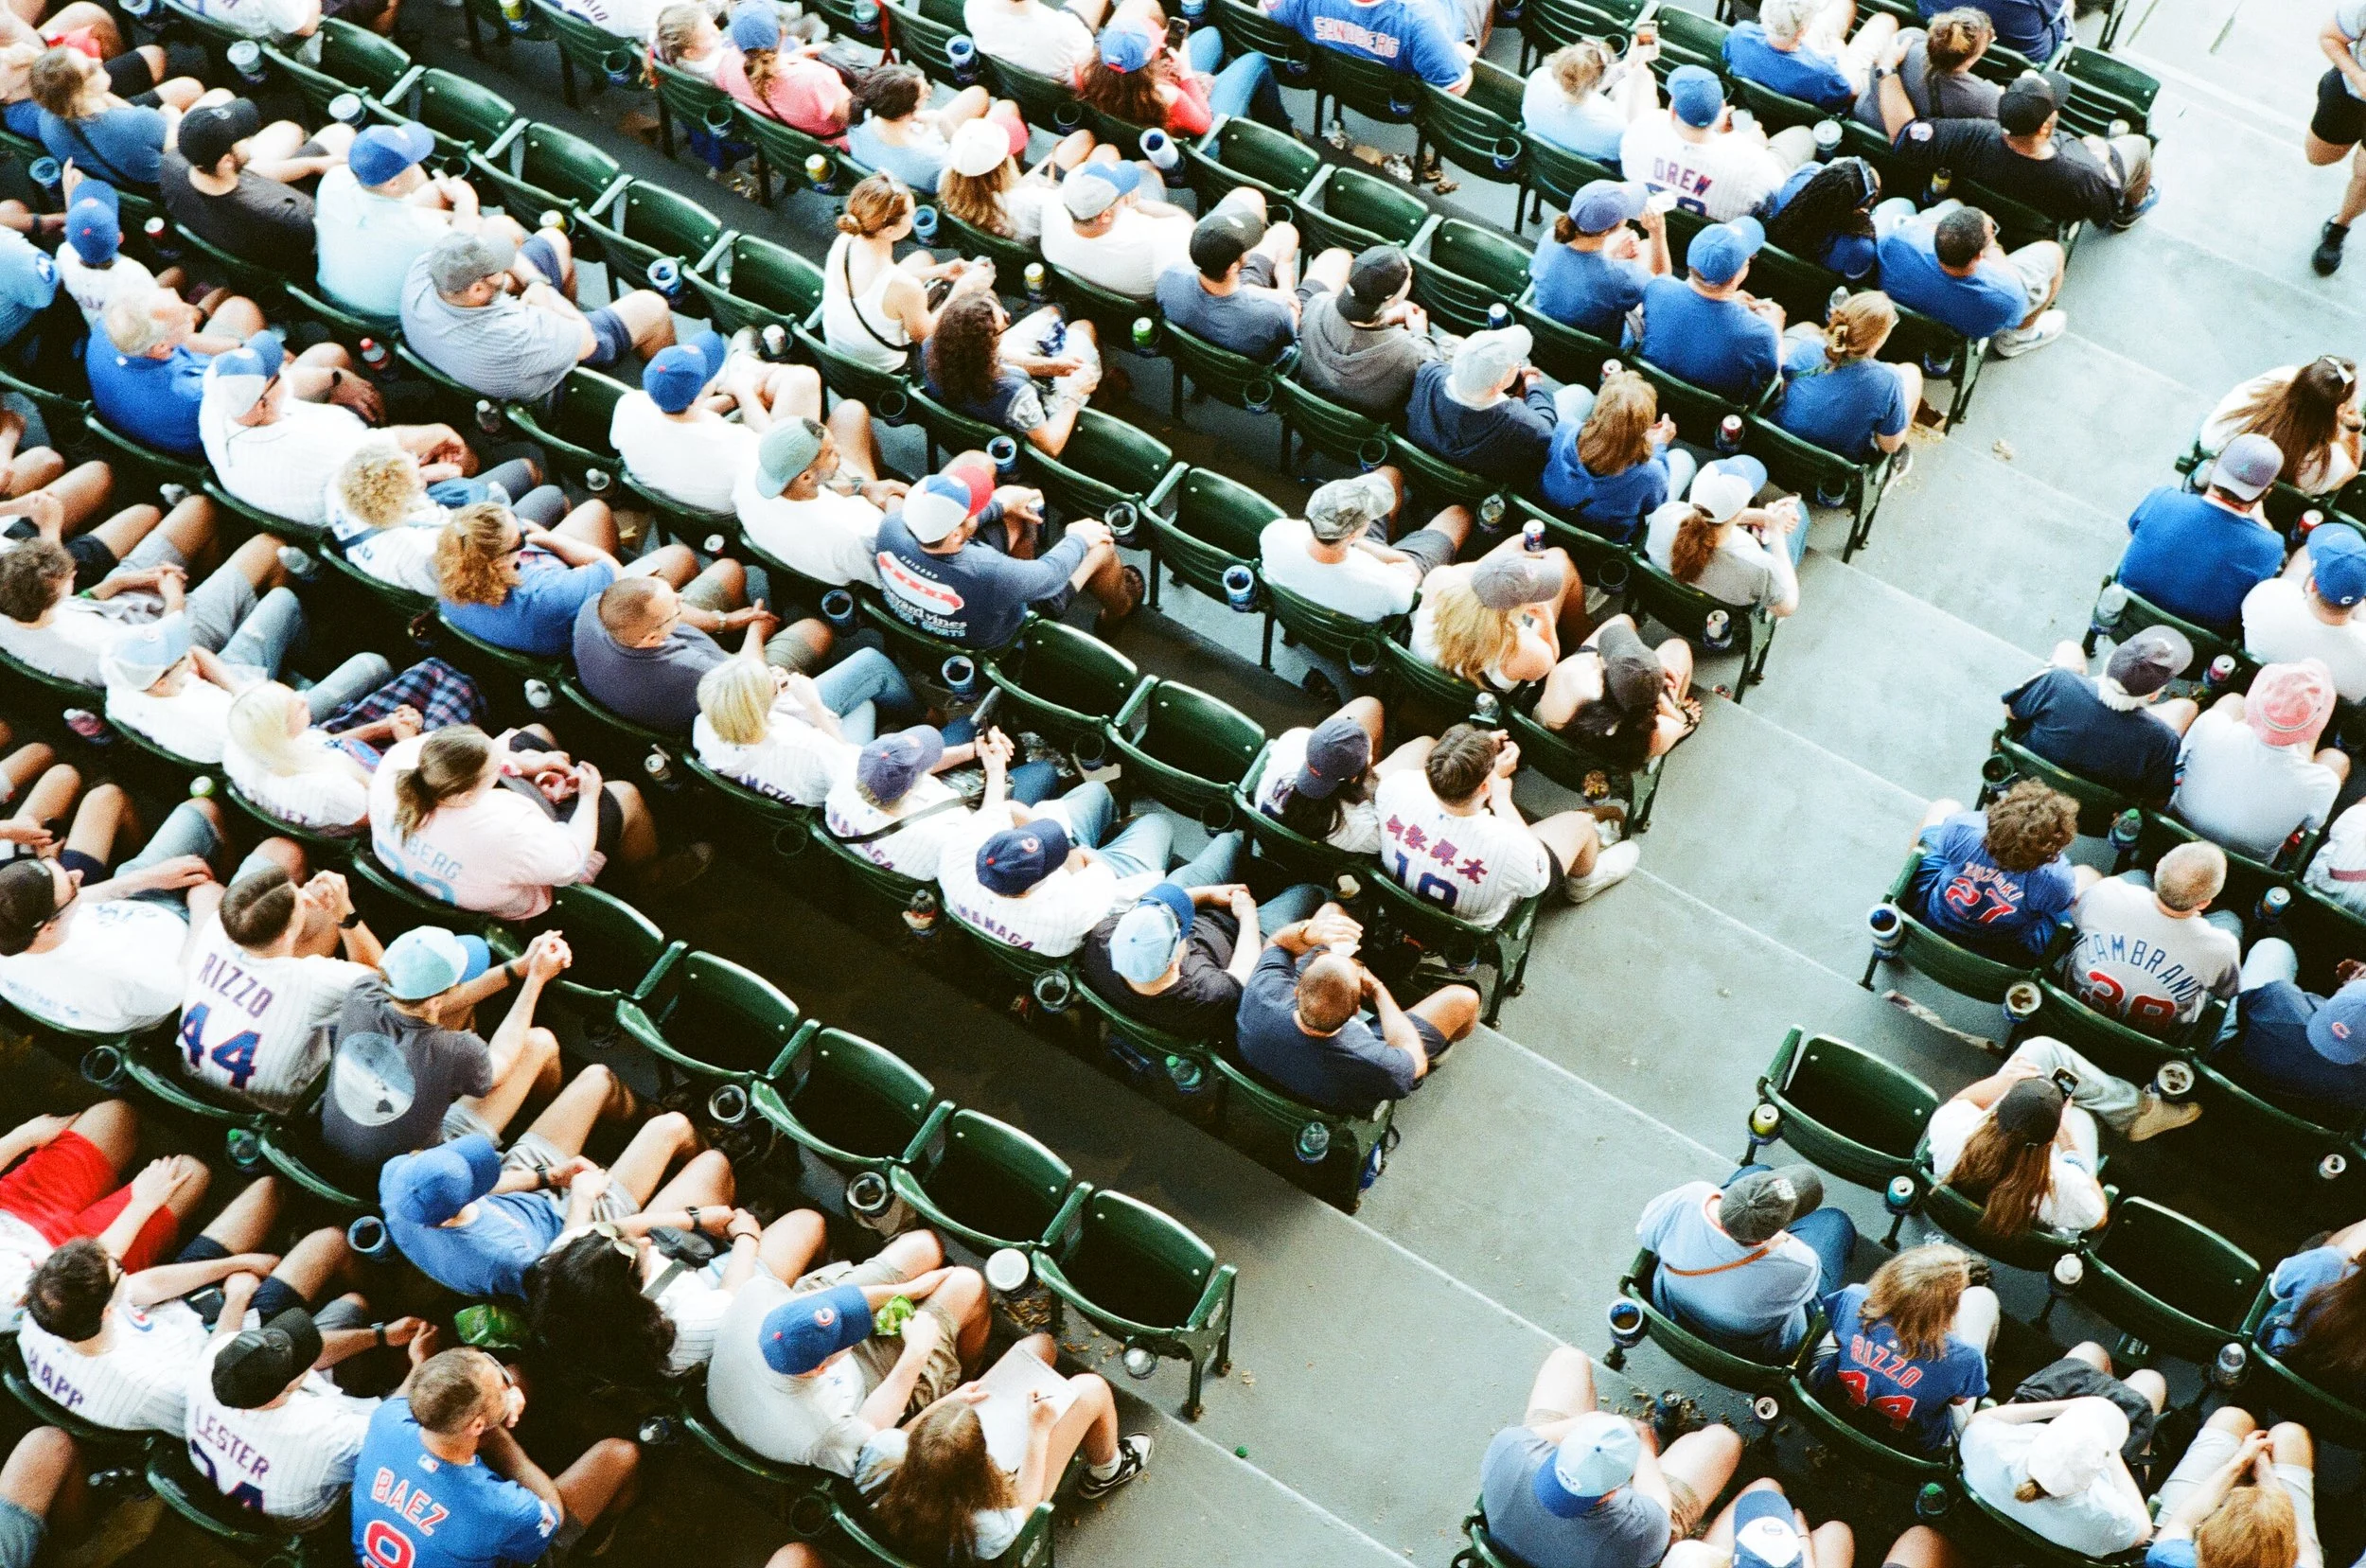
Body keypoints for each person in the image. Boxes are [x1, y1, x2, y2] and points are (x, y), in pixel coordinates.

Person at [15, 1177, 351, 1436]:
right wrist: (238, 1296)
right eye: (118, 1271)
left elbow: (144, 1288)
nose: (121, 1265)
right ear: (105, 1310)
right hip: (227, 1346)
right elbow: (220, 1373)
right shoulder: (153, 1386)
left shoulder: (47, 1309)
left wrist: (233, 1264)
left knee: (267, 1190)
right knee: (330, 1241)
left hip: (180, 1312)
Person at [705, 1220, 990, 1476]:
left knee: (924, 1246)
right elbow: (874, 1430)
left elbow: (824, 1300)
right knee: (967, 1284)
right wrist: (917, 1350)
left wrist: (911, 1290)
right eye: (847, 1335)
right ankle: (962, 1372)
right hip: (865, 1389)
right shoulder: (828, 1429)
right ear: (821, 1368)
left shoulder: (752, 1297)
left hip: (798, 1374)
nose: (859, 1323)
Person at [381, 1081, 698, 1300]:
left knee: (597, 1078)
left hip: (521, 1199)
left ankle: (641, 1114)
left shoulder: (397, 1179)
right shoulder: (506, 1259)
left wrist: (548, 1177)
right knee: (672, 1127)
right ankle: (710, 1144)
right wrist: (582, 1199)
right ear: (458, 1207)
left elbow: (482, 1189)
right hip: (572, 1229)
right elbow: (567, 1270)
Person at [525, 1156, 825, 1382]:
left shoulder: (565, 1266)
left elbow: (613, 1229)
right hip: (715, 1296)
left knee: (713, 1164)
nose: (645, 1243)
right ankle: (824, 1256)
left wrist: (696, 1218)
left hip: (671, 1282)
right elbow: (733, 1296)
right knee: (808, 1222)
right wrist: (747, 1235)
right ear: (633, 1293)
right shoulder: (686, 1329)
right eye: (638, 1253)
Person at [855, 1336, 1152, 1563]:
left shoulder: (879, 1455)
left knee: (1039, 1345)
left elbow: (899, 1436)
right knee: (1090, 1389)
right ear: (981, 1463)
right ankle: (1107, 1471)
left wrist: (949, 1403)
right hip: (1005, 1500)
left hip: (914, 1517)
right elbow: (1025, 1506)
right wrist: (1038, 1431)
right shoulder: (987, 1529)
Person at [370, 723, 707, 916]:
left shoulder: (401, 760)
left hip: (442, 871)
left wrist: (531, 764)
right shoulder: (506, 820)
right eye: (493, 772)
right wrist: (589, 795)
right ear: (467, 793)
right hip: (526, 896)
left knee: (533, 732)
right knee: (625, 796)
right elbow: (569, 863)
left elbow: (492, 755)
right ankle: (653, 879)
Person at [350, 1347, 641, 1568]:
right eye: (502, 1389)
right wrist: (505, 1445)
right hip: (503, 1540)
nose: (507, 1386)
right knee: (622, 1454)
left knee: (519, 1375)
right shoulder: (502, 1506)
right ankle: (594, 1540)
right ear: (476, 1427)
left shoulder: (386, 1419)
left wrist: (496, 1410)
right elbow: (553, 1513)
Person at [320, 925, 572, 1171]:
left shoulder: (363, 991)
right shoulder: (454, 1050)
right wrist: (536, 980)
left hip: (329, 1151)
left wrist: (520, 968)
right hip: (403, 1175)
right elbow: (502, 1061)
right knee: (540, 1043)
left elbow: (424, 1002)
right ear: (436, 1001)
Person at [1479, 1348, 1743, 1568]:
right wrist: (1643, 1447)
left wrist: (1596, 1424)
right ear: (1617, 1489)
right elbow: (1657, 1507)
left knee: (1567, 1359)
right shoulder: (1634, 1532)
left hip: (1509, 1546)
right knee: (1723, 1441)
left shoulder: (1508, 1447)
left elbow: (1535, 1435)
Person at [0, 790, 239, 1033]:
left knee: (200, 810)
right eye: (72, 885)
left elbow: (83, 900)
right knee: (275, 850)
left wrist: (148, 878)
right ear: (48, 927)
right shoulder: (119, 974)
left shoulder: (21, 930)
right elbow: (184, 989)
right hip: (188, 937)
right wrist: (204, 911)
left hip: (129, 905)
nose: (78, 875)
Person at [1927, 1039, 2197, 1240]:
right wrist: (2067, 1140)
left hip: (1959, 1208)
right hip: (2033, 1214)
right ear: (2049, 1141)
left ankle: (2135, 1111)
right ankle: (2136, 1112)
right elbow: (2098, 1216)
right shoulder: (2063, 1184)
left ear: (1998, 1110)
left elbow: (1960, 1101)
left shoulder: (1954, 1130)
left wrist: (2003, 1082)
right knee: (2082, 1117)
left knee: (2038, 1051)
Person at [190, 1303, 430, 1526]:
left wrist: (381, 1335)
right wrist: (421, 1365)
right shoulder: (325, 1432)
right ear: (292, 1385)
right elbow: (389, 1427)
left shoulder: (215, 1358)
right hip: (314, 1512)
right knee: (429, 1394)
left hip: (246, 1478)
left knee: (351, 1304)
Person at [201, 331, 462, 532]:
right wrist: (442, 431)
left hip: (287, 485)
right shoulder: (321, 442)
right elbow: (390, 443)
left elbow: (287, 385)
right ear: (263, 404)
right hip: (353, 506)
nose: (283, 367)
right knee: (450, 447)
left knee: (329, 355)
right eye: (277, 374)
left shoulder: (216, 402)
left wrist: (335, 378)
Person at [1232, 899, 1478, 1112]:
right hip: (1335, 1096)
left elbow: (1277, 943)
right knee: (1465, 999)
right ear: (1356, 1011)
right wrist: (1379, 990)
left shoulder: (1265, 990)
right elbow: (1415, 1061)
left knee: (1331, 912)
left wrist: (1308, 932)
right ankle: (1441, 1049)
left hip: (1266, 1064)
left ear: (1297, 989)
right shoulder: (1377, 1062)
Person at [176, 858, 382, 1112]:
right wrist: (345, 914)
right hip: (271, 1112)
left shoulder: (216, 927)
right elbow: (384, 985)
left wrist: (295, 902)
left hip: (190, 1084)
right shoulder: (313, 981)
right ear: (286, 936)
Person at [1080, 829, 1326, 1042]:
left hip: (1205, 908)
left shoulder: (1102, 937)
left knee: (1229, 841)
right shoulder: (1207, 995)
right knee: (1308, 893)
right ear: (1175, 958)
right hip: (1241, 934)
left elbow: (1156, 903)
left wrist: (1209, 894)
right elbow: (1245, 970)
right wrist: (1247, 914)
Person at [100, 586, 390, 766]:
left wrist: (239, 689)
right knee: (372, 664)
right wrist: (250, 698)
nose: (187, 651)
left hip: (237, 692)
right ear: (162, 682)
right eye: (180, 656)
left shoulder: (121, 678)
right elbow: (292, 744)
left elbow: (196, 651)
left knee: (282, 599)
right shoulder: (215, 721)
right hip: (268, 721)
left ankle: (311, 662)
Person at [1377, 722, 1636, 922]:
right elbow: (1538, 875)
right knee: (1580, 824)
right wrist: (1500, 799)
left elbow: (1439, 779)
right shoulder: (1511, 847)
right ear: (1483, 787)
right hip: (1471, 924)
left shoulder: (1394, 787)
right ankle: (1585, 884)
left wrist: (1472, 753)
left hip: (1401, 903)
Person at [874, 459, 1137, 647]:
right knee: (1100, 546)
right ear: (955, 534)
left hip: (933, 621)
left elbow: (964, 528)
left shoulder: (891, 528)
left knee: (1016, 515)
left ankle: (1022, 561)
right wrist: (1079, 538)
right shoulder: (988, 571)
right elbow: (1051, 574)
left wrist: (1000, 504)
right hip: (1003, 636)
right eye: (969, 510)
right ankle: (1119, 611)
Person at [0, 1101, 213, 1328]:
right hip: (80, 1261)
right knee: (189, 1173)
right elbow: (85, 1276)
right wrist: (142, 1204)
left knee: (115, 1115)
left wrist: (23, 1136)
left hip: (16, 1205)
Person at [400, 229, 676, 404]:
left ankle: (563, 310)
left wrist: (535, 283)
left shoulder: (425, 271)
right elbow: (587, 342)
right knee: (652, 307)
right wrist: (549, 304)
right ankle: (674, 386)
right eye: (497, 267)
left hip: (481, 338)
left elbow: (500, 251)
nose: (505, 262)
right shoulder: (519, 334)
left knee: (554, 239)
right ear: (476, 289)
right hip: (549, 375)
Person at [1874, 63, 2156, 232]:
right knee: (2139, 146)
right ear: (2046, 126)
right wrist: (2102, 158)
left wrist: (1887, 71)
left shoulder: (1973, 133)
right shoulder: (2085, 174)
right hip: (2050, 211)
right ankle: (2133, 211)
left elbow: (1904, 136)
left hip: (1991, 209)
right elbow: (2104, 212)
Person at [938, 776, 1181, 958]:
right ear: (1032, 887)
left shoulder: (954, 859)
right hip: (1087, 883)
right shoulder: (1070, 910)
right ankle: (1118, 830)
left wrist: (1057, 838)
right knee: (1157, 823)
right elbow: (1097, 870)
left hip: (1023, 923)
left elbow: (1008, 809)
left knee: (1095, 792)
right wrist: (1071, 847)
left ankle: (1109, 828)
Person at [1636, 1163, 1855, 1358]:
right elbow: (1799, 1301)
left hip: (1669, 1305)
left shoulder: (1690, 1197)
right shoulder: (1800, 1261)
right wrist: (1780, 1245)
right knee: (1835, 1221)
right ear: (1776, 1231)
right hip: (1751, 1349)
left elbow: (1645, 1235)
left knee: (1756, 1170)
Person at [575, 569, 831, 731]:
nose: (681, 597)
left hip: (668, 671)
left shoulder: (595, 607)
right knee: (814, 630)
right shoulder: (691, 668)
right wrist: (756, 629)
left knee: (729, 570)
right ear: (653, 637)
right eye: (675, 606)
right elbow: (752, 677)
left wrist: (724, 621)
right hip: (729, 694)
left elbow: (666, 610)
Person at [315, 120, 518, 323]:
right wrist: (467, 201)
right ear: (392, 184)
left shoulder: (333, 180)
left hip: (329, 298)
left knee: (434, 193)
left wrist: (450, 217)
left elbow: (396, 222)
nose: (416, 165)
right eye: (410, 164)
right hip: (384, 319)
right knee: (502, 232)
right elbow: (465, 253)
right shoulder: (423, 234)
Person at [1812, 1243, 1996, 1455]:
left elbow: (1836, 1336)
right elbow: (1958, 1399)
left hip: (1828, 1404)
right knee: (1984, 1299)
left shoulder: (1854, 1296)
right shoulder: (1965, 1356)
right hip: (1907, 1447)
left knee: (1839, 1328)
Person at [328, 439, 566, 600]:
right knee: (552, 497)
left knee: (524, 469)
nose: (418, 461)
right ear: (402, 493)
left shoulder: (341, 487)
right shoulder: (424, 551)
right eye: (415, 472)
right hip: (460, 556)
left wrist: (424, 476)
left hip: (433, 519)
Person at [435, 496, 669, 660]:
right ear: (497, 562)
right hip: (575, 622)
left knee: (594, 510)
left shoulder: (448, 583)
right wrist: (545, 539)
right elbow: (613, 571)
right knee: (679, 556)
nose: (524, 527)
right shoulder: (548, 595)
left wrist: (526, 542)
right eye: (519, 539)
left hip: (535, 618)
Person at [611, 333, 807, 518]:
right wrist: (744, 392)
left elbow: (683, 420)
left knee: (744, 338)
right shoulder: (733, 442)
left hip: (676, 504)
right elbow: (778, 445)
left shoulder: (628, 405)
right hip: (743, 510)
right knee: (803, 380)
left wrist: (732, 399)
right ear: (699, 397)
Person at [824, 724, 1051, 881]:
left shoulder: (842, 781)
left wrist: (972, 750)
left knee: (964, 726)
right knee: (1043, 771)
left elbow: (893, 771)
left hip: (892, 843)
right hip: (964, 828)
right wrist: (996, 770)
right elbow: (987, 825)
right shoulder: (942, 835)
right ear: (909, 791)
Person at [694, 645, 920, 803]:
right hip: (835, 780)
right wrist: (814, 707)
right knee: (865, 705)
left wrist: (771, 692)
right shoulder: (805, 745)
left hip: (778, 776)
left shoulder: (703, 725)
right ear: (762, 707)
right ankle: (924, 718)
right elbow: (857, 772)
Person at [2172, 661, 2348, 863]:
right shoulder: (2323, 783)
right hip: (2251, 862)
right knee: (2337, 760)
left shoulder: (2210, 724)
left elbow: (2181, 758)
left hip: (2176, 831)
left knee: (2232, 701)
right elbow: (2312, 824)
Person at [2113, 434, 2287, 637]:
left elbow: (2130, 532)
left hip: (2123, 625)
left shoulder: (2163, 498)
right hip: (2194, 650)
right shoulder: (2271, 546)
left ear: (2213, 468)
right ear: (2266, 492)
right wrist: (2263, 527)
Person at [159, 97, 353, 276]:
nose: (248, 140)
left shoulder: (171, 166)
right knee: (341, 135)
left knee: (293, 131)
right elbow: (331, 244)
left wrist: (312, 165)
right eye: (242, 139)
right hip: (308, 243)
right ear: (227, 161)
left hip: (246, 227)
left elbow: (251, 175)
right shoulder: (284, 215)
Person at [823, 174, 994, 376]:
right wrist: (959, 291)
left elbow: (883, 284)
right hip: (885, 369)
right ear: (889, 231)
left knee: (922, 258)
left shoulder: (846, 239)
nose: (914, 221)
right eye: (910, 216)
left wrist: (939, 271)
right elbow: (927, 336)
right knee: (982, 301)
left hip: (839, 351)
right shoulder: (905, 287)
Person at [2003, 628, 2198, 800]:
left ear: (2110, 660)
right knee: (2186, 708)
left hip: (2027, 780)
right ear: (2154, 695)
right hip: (2093, 817)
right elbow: (2157, 798)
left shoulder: (2059, 681)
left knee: (2068, 648)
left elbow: (2011, 711)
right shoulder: (2162, 740)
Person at [2067, 842, 2241, 1033]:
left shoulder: (2106, 892)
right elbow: (2227, 991)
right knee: (2231, 921)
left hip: (2072, 1006)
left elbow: (2075, 919)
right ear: (2204, 903)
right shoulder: (2222, 947)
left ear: (2159, 866)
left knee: (2137, 876)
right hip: (2154, 1038)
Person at [1259, 468, 1468, 624]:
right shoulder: (1388, 584)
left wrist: (1358, 543)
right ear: (1355, 533)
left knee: (1390, 474)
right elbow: (1406, 589)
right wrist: (1401, 560)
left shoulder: (1274, 533)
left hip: (1302, 617)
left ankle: (1388, 535)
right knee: (1459, 515)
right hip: (1373, 562)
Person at [1959, 1392, 2151, 1558]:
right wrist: (2112, 1453)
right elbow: (2144, 1532)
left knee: (2088, 1350)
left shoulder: (1988, 1447)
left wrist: (2066, 1406)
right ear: (2094, 1474)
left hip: (1984, 1536)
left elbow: (1979, 1419)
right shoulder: (2109, 1519)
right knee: (2147, 1389)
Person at [1907, 780, 2079, 961]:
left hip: (1932, 918)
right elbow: (2060, 905)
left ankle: (1902, 903)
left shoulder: (1962, 827)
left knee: (1945, 806)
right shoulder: (2058, 877)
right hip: (1999, 951)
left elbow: (1940, 847)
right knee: (2083, 878)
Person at [734, 409, 906, 590]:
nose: (839, 451)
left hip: (800, 560)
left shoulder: (745, 478)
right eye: (830, 452)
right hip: (861, 564)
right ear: (806, 478)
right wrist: (892, 498)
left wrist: (862, 486)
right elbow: (890, 575)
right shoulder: (856, 532)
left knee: (850, 413)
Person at [86, 283, 264, 457]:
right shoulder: (196, 392)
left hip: (145, 424)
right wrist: (254, 352)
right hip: (206, 438)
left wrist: (240, 345)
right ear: (162, 347)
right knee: (239, 308)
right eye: (184, 316)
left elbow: (183, 342)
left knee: (218, 297)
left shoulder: (106, 329)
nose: (190, 309)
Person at [1619, 65, 1813, 224]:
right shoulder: (1751, 160)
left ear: (1672, 111)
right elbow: (1778, 196)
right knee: (1803, 135)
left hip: (1655, 227)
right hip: (1722, 232)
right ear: (1721, 107)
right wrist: (1756, 145)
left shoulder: (1642, 128)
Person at [1157, 200, 1346, 363]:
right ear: (1232, 267)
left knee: (1283, 231)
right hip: (1265, 333)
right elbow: (1292, 317)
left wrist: (1258, 292)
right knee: (1338, 257)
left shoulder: (1170, 277)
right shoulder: (1273, 312)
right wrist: (1284, 290)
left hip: (1204, 353)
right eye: (1246, 246)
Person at [923, 291, 1103, 459]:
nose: (1009, 315)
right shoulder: (1014, 392)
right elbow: (1051, 447)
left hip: (974, 404)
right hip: (1027, 417)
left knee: (1050, 313)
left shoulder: (931, 347)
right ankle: (1102, 393)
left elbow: (994, 357)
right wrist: (1075, 394)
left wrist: (1047, 366)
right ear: (986, 345)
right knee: (1084, 328)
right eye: (1004, 323)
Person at [1872, 201, 2065, 357]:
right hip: (1957, 330)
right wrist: (1994, 246)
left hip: (1910, 316)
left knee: (1954, 204)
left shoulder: (1900, 239)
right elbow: (2012, 288)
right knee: (2054, 252)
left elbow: (1919, 228)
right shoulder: (2006, 296)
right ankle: (2019, 338)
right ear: (1980, 255)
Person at [1250, 700, 1432, 857]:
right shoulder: (1365, 827)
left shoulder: (1291, 742)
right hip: (1346, 831)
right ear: (1354, 778)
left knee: (1370, 705)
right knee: (1426, 745)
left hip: (1269, 842)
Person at [1635, 216, 1783, 404]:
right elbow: (1772, 378)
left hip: (1645, 399)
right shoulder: (1761, 334)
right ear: (1739, 274)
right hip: (1704, 424)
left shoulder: (1657, 288)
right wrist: (1776, 328)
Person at [2147, 1410, 2322, 1568]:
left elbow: (2182, 1522)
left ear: (2203, 1538)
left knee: (2231, 1418)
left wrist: (2240, 1462)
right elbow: (2305, 1551)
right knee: (2291, 1435)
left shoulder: (2170, 1560)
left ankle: (2247, 1400)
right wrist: (2266, 1475)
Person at [1541, 366, 1694, 542]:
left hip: (1548, 515)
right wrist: (1658, 447)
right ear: (1644, 427)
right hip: (1604, 542)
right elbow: (1654, 506)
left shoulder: (1563, 429)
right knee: (1683, 459)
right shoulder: (1651, 473)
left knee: (1579, 392)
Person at [1405, 326, 1566, 490]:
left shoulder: (1428, 373)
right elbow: (1547, 428)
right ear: (1498, 385)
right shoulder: (1527, 427)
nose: (1518, 366)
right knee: (1578, 393)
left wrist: (1512, 379)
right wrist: (1534, 386)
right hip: (1483, 486)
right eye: (1516, 365)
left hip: (1429, 479)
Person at [1293, 245, 1443, 418]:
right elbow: (1432, 367)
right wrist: (1419, 330)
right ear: (1393, 300)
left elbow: (1352, 335)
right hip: (1363, 439)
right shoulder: (1411, 353)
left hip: (1309, 418)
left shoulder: (1317, 304)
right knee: (1454, 342)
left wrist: (1385, 318)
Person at [1410, 547, 1588, 692]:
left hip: (1419, 679)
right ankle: (1582, 638)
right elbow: (1549, 661)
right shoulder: (1528, 651)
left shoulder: (1439, 578)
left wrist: (1500, 570)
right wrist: (1546, 619)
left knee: (1537, 548)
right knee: (1560, 559)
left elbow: (1471, 571)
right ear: (1520, 608)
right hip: (1479, 696)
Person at [2216, 937, 2366, 1110]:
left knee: (2274, 947)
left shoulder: (2280, 997)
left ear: (2338, 992)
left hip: (2228, 1073)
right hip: (2297, 1123)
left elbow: (2241, 1013)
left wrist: (2354, 991)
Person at [1532, 614, 1700, 768]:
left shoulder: (1566, 674)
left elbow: (1594, 658)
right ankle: (1679, 706)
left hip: (1553, 735)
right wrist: (1661, 698)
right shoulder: (1655, 735)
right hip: (1617, 752)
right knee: (1678, 647)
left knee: (1624, 620)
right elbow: (1678, 725)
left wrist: (1641, 671)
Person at [1080, 12, 1286, 135]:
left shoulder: (1090, 74)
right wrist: (1186, 71)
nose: (1162, 37)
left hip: (1143, 111)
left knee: (1210, 35)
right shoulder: (1165, 95)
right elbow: (1204, 124)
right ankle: (1282, 132)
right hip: (1198, 130)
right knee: (1256, 61)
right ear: (1147, 64)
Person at [1645, 460, 1803, 619]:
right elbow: (1786, 608)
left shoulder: (1665, 514)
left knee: (1754, 465)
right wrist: (1776, 532)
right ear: (1742, 508)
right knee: (1800, 509)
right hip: (1718, 619)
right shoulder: (1759, 566)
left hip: (1665, 603)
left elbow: (1705, 518)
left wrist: (1765, 518)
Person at [1773, 291, 1921, 460]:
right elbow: (1889, 446)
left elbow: (1786, 390)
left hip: (1781, 449)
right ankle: (1895, 465)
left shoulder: (1809, 345)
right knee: (1913, 372)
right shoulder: (1888, 380)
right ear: (1880, 339)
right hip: (1836, 470)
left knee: (1808, 327)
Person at [847, 63, 1026, 196]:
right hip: (950, 177)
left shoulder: (858, 124)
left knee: (977, 93)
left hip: (905, 160)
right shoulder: (934, 161)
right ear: (911, 108)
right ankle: (1014, 169)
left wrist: (939, 119)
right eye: (925, 93)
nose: (930, 90)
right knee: (1006, 109)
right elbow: (965, 158)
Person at [1529, 180, 1670, 343]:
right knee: (1646, 249)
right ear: (1606, 231)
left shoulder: (1550, 237)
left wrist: (1612, 257)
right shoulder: (1621, 278)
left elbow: (1581, 269)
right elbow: (1663, 285)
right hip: (1599, 349)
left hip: (1546, 333)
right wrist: (1658, 233)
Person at [2200, 357, 2362, 498]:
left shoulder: (2273, 380)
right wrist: (2354, 428)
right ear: (2340, 410)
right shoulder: (2327, 462)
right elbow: (2351, 471)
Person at [1037, 161, 1198, 302]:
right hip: (1141, 294)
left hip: (1093, 294)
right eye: (1123, 194)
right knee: (1146, 168)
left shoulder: (1050, 207)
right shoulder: (1156, 239)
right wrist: (1138, 204)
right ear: (1106, 215)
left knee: (1124, 159)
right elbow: (1184, 223)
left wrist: (1119, 202)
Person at [26, 44, 178, 189]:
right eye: (91, 68)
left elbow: (128, 118)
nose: (97, 60)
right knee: (190, 96)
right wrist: (173, 115)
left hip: (123, 182)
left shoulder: (46, 121)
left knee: (186, 88)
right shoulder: (140, 122)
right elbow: (185, 147)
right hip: (172, 186)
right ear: (80, 93)